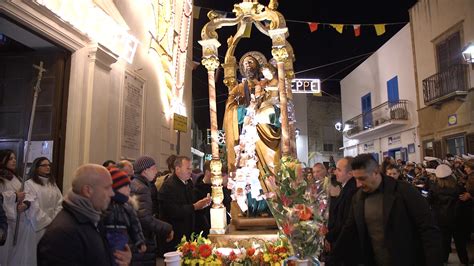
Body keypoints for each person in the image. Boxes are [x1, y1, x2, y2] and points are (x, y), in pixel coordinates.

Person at [331, 153, 442, 266]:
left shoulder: (404, 191)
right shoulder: (358, 198)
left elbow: (428, 230)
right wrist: (332, 258)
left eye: (362, 178)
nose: (358, 184)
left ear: (375, 172)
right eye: (356, 179)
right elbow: (349, 229)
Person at [37, 164, 131, 266]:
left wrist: (120, 261)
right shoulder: (63, 234)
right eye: (107, 188)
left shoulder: (94, 219)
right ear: (88, 191)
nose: (112, 193)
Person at [158, 156, 211, 253]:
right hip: (175, 234)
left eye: (191, 168)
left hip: (188, 233)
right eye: (188, 168)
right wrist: (195, 206)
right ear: (177, 169)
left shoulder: (188, 182)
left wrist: (203, 204)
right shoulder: (169, 186)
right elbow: (173, 211)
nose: (191, 171)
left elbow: (193, 202)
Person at [130, 156, 173, 264]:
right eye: (154, 168)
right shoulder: (142, 188)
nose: (156, 171)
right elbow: (145, 218)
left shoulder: (136, 184)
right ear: (145, 170)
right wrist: (167, 228)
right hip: (143, 238)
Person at [103, 168, 146, 266]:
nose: (129, 189)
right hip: (106, 240)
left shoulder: (127, 207)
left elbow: (135, 226)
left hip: (122, 239)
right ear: (116, 187)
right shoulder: (104, 205)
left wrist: (139, 241)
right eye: (126, 186)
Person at [0, 149, 36, 266]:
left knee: (16, 257)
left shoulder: (18, 178)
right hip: (5, 224)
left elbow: (29, 195)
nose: (14, 160)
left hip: (19, 224)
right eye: (10, 158)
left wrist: (26, 204)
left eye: (15, 158)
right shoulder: (1, 179)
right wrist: (15, 196)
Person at [428, 164, 469, 265]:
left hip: (441, 219)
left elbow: (429, 201)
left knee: (444, 242)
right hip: (457, 218)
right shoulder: (458, 187)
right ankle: (464, 261)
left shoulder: (434, 188)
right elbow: (464, 202)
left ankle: (444, 261)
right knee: (460, 242)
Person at [325, 156, 359, 265]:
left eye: (339, 170)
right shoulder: (347, 187)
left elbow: (344, 222)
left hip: (346, 247)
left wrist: (329, 236)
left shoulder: (351, 191)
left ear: (350, 173)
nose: (335, 172)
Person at [25, 157, 63, 242]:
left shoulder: (52, 184)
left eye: (49, 165)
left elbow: (60, 202)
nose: (48, 167)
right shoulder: (29, 184)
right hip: (38, 226)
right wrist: (47, 221)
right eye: (44, 165)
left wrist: (54, 220)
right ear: (36, 168)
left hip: (53, 224)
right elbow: (33, 207)